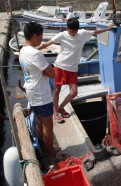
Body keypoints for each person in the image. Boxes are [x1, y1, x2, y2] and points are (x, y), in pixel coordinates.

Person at [38, 18, 113, 123]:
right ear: (67, 28)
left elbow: (95, 32)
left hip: (73, 68)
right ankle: (55, 112)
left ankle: (61, 107)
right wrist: (33, 50)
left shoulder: (82, 34)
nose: (74, 33)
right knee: (56, 91)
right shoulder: (62, 35)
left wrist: (107, 29)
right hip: (60, 66)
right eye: (72, 31)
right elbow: (46, 44)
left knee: (74, 92)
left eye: (75, 31)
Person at [19, 22, 55, 160]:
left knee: (39, 122)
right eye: (40, 36)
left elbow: (40, 71)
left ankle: (43, 149)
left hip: (31, 91)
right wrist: (47, 70)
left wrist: (44, 71)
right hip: (41, 93)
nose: (42, 39)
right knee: (48, 125)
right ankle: (51, 155)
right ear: (34, 36)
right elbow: (52, 73)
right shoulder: (35, 54)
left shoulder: (23, 50)